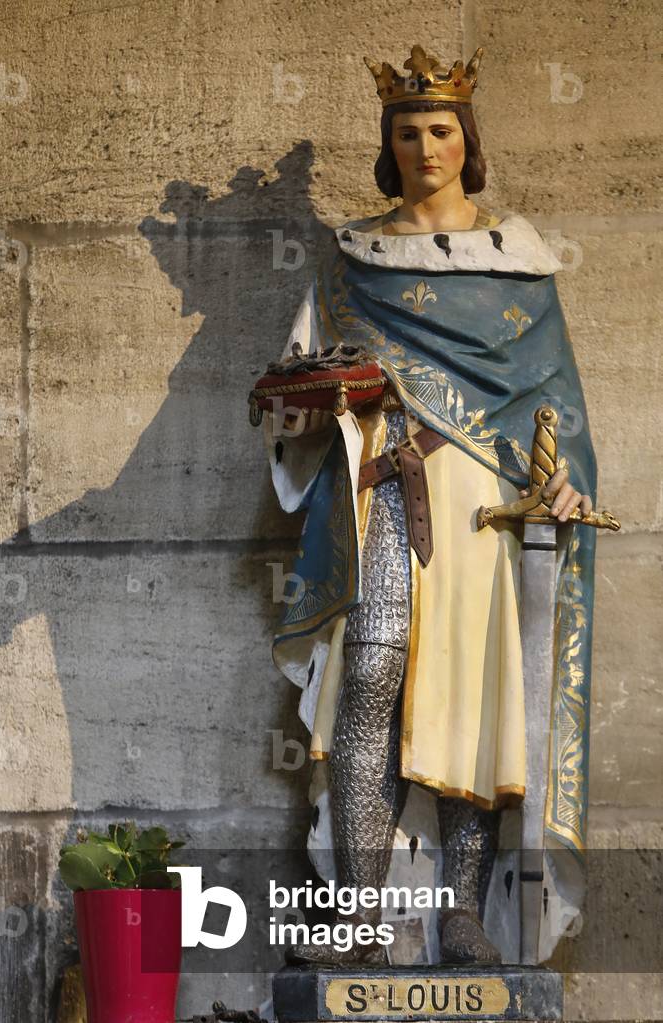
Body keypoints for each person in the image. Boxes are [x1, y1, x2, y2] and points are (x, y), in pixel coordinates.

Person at [261, 44, 596, 966]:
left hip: (482, 503)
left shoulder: (517, 265)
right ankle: (361, 914)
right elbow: (300, 384)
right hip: (379, 490)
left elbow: (555, 408)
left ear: (467, 139)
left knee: (468, 698)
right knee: (369, 677)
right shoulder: (351, 263)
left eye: (441, 129)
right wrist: (309, 403)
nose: (425, 146)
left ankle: (460, 912)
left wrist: (564, 480)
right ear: (389, 143)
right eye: (406, 131)